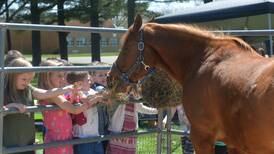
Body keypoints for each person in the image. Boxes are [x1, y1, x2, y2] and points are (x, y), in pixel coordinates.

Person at [3, 58, 75, 154]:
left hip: (28, 143)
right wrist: (10, 107)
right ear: (12, 75)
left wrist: (66, 89)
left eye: (29, 80)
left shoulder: (28, 89)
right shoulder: (3, 91)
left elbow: (45, 93)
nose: (27, 82)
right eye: (24, 79)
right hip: (9, 144)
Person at [37, 59, 104, 154]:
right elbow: (75, 110)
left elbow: (72, 100)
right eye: (59, 76)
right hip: (57, 141)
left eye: (64, 75)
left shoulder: (60, 94)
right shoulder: (53, 96)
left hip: (67, 138)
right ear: (47, 77)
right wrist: (92, 101)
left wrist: (77, 94)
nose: (63, 79)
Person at [66, 71, 107, 154]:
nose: (91, 82)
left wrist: (101, 97)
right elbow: (87, 100)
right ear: (79, 84)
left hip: (96, 136)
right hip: (82, 138)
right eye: (88, 80)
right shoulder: (75, 94)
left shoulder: (92, 91)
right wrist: (97, 98)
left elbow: (102, 97)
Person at [107, 89, 158, 154]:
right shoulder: (119, 94)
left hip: (131, 133)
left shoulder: (134, 98)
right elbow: (119, 98)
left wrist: (156, 111)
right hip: (119, 131)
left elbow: (141, 108)